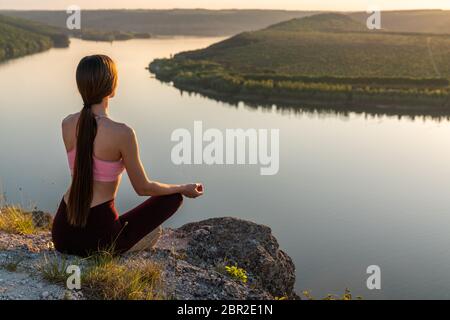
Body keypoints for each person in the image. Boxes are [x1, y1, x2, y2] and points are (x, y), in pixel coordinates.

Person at [51, 54, 204, 256]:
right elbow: (143, 188)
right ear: (111, 86)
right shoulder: (122, 133)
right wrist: (183, 188)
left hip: (62, 233)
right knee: (172, 198)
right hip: (98, 240)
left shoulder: (67, 124)